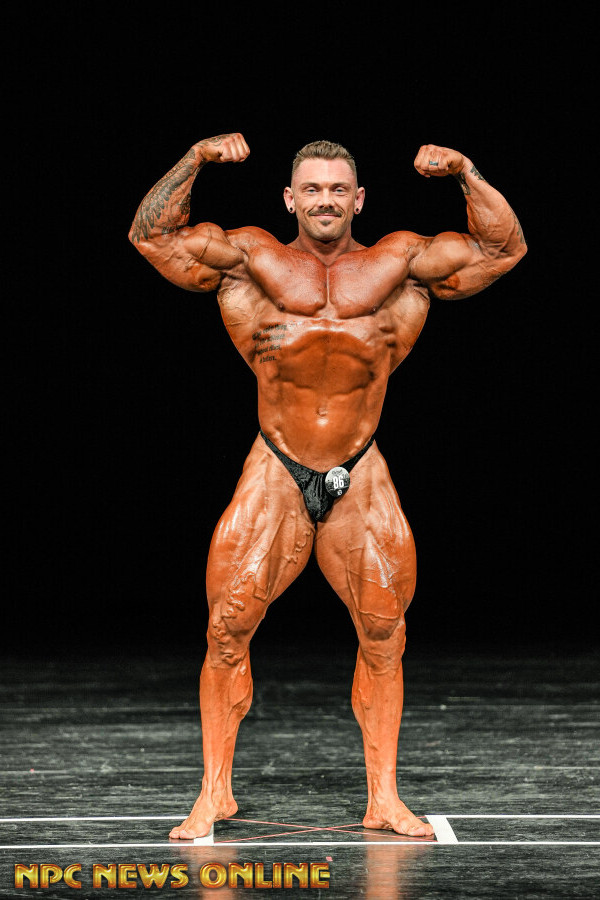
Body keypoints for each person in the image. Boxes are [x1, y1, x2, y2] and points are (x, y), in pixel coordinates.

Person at [128, 133, 527, 839]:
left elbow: (503, 249)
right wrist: (195, 158)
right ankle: (213, 794)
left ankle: (384, 799)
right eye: (312, 189)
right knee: (226, 628)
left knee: (385, 633)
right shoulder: (251, 257)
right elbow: (151, 238)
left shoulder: (399, 262)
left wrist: (465, 171)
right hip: (276, 466)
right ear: (290, 198)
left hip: (359, 467)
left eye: (338, 189)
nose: (325, 200)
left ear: (358, 199)